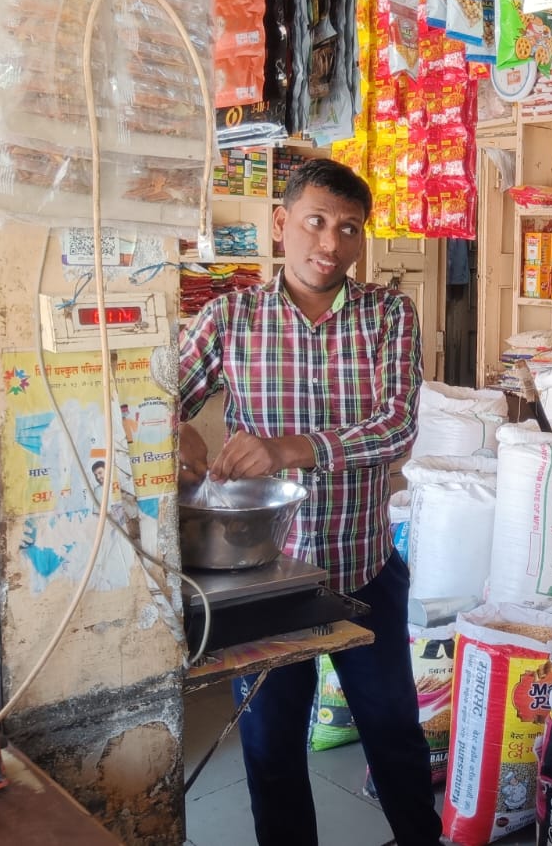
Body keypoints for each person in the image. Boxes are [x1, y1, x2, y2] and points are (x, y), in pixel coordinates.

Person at [177, 158, 441, 846]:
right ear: (280, 223)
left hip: (365, 570)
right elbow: (151, 400)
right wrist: (171, 432)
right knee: (270, 753)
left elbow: (396, 426)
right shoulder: (229, 317)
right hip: (263, 580)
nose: (330, 244)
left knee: (395, 738)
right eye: (315, 222)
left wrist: (289, 447)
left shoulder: (389, 313)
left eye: (348, 228)